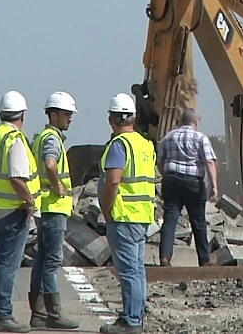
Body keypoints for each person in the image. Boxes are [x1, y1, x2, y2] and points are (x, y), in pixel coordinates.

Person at [0, 90, 41, 333]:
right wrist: (30, 203)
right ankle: (1, 314)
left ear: (1, 113)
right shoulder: (15, 139)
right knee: (7, 264)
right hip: (11, 211)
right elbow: (16, 178)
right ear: (21, 116)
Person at [98, 93, 156, 334]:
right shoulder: (145, 144)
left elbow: (113, 181)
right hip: (142, 215)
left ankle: (131, 321)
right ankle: (135, 316)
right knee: (138, 269)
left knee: (129, 270)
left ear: (111, 119)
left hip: (123, 216)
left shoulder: (119, 145)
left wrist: (106, 210)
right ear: (133, 117)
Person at [27, 91, 79, 330]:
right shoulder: (51, 139)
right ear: (53, 114)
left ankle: (38, 314)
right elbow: (50, 163)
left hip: (45, 208)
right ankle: (54, 314)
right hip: (53, 208)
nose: (70, 118)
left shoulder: (45, 136)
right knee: (52, 261)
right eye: (67, 114)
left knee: (42, 260)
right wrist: (58, 186)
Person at [157, 108, 219, 267]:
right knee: (198, 221)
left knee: (170, 219)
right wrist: (214, 186)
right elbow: (209, 162)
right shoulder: (200, 138)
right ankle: (204, 259)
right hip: (193, 183)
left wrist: (167, 177)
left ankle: (165, 257)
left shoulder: (168, 137)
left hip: (171, 180)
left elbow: (160, 162)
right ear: (196, 122)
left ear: (180, 121)